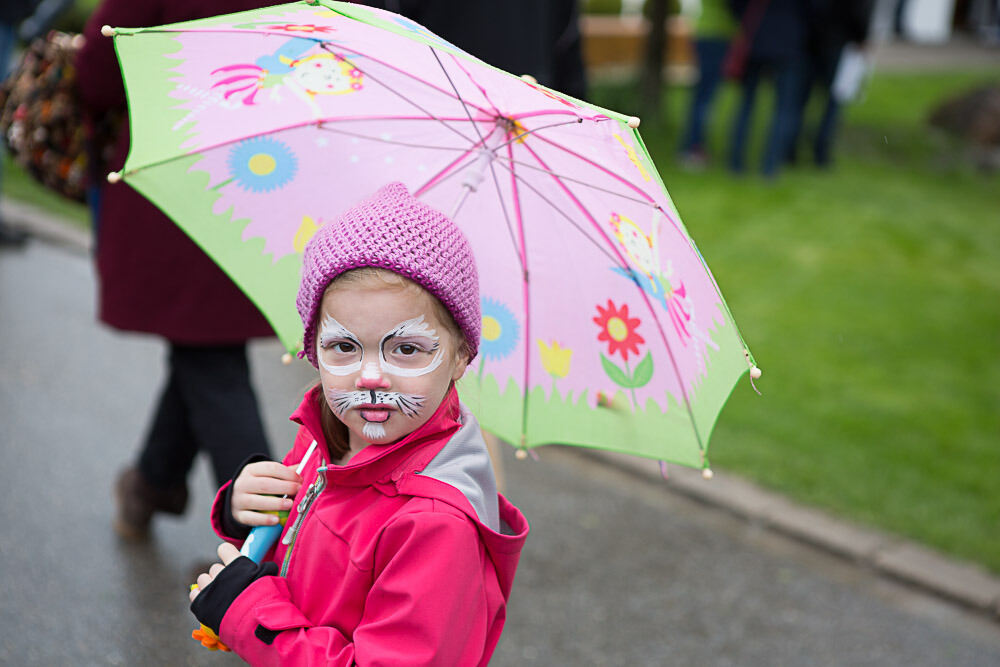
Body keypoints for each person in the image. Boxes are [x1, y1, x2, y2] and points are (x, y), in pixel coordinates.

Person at [188, 183, 529, 664]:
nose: (371, 377)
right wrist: (245, 509)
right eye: (344, 347)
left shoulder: (435, 526)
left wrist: (251, 615)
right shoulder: (326, 436)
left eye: (406, 349)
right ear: (314, 348)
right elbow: (301, 538)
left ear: (460, 357)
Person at [75, 0, 279, 540]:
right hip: (271, 179)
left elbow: (98, 69)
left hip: (180, 175)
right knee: (204, 341)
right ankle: (153, 482)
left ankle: (262, 540)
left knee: (211, 359)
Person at [727, 0, 810, 178]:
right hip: (789, 42)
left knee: (746, 105)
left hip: (757, 38)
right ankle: (770, 167)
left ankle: (735, 162)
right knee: (783, 109)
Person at [788, 0, 874, 168]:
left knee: (800, 100)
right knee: (833, 102)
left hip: (810, 43)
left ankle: (790, 149)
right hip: (837, 44)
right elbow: (859, 13)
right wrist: (861, 38)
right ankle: (821, 153)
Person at [678, 0, 739, 169]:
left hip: (707, 33)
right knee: (704, 97)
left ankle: (692, 146)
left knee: (702, 96)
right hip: (716, 35)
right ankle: (693, 148)